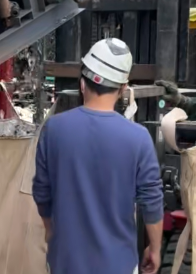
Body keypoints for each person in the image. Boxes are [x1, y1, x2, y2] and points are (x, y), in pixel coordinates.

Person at [32, 38, 164, 274]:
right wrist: (154, 249)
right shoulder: (139, 138)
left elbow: (42, 192)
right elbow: (151, 202)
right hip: (118, 265)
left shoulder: (53, 129)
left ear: (83, 84)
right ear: (123, 88)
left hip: (65, 263)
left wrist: (51, 231)